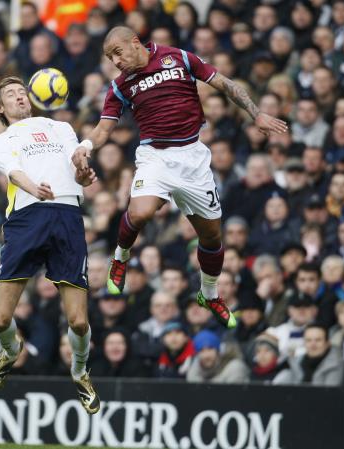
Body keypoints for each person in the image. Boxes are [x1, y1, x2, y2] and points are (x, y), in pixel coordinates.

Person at [71, 26, 287, 329]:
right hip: (155, 157)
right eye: (110, 58)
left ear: (135, 43)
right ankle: (120, 259)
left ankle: (209, 294)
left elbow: (224, 84)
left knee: (212, 237)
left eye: (117, 53)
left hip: (193, 158)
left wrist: (257, 114)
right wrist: (85, 146)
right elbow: (104, 128)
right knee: (141, 211)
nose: (115, 62)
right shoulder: (120, 86)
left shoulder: (179, 58)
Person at [0, 76, 100, 414]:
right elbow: (13, 172)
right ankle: (9, 352)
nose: (19, 97)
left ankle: (79, 372)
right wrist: (34, 188)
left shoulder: (61, 128)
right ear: (0, 108)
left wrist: (83, 174)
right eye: (11, 94)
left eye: (22, 92)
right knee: (0, 320)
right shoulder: (0, 140)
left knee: (79, 322)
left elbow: (76, 166)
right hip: (27, 219)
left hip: (67, 215)